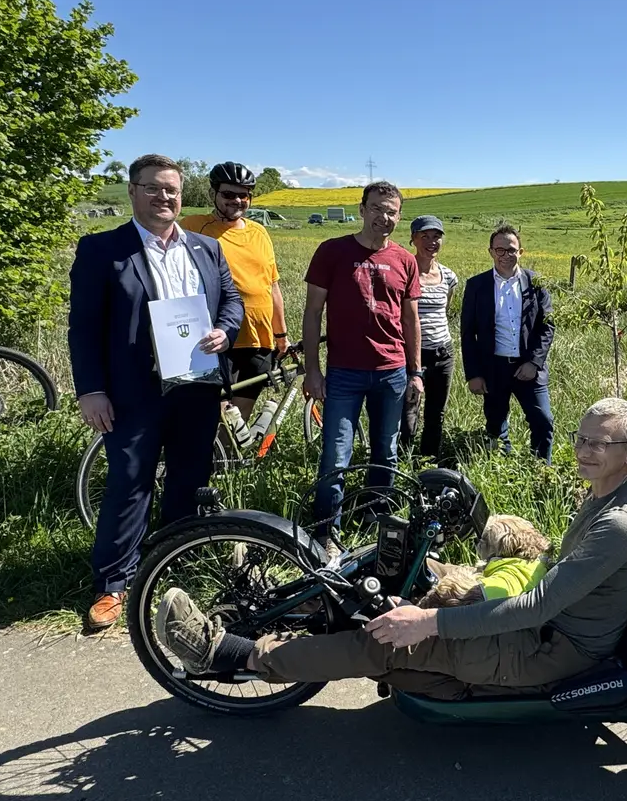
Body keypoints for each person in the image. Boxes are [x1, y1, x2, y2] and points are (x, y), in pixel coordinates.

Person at [153, 398, 627, 700]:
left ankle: (226, 654)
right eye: (581, 439)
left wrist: (428, 622)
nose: (584, 452)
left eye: (600, 444)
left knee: (386, 642)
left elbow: (537, 606)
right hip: (541, 631)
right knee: (396, 619)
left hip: (550, 651)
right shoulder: (608, 494)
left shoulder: (619, 523)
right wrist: (455, 595)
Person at [69, 154, 243, 630]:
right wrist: (91, 390)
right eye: (153, 188)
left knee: (189, 478)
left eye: (171, 190)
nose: (164, 197)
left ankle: (173, 563)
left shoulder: (205, 248)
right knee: (129, 483)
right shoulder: (103, 249)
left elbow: (230, 301)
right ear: (132, 191)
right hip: (132, 392)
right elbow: (83, 328)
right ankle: (113, 584)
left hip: (197, 386)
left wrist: (226, 332)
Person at [301, 181, 422, 555]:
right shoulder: (332, 252)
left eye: (391, 211)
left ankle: (376, 517)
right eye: (376, 209)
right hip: (344, 373)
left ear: (399, 216)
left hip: (392, 371)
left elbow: (411, 320)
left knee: (386, 451)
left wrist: (416, 372)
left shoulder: (405, 259)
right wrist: (312, 370)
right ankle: (326, 530)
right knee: (336, 452)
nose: (383, 217)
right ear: (362, 209)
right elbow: (312, 313)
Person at [181, 162, 289, 426]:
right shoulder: (193, 226)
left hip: (258, 337)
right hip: (218, 337)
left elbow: (271, 285)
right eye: (229, 194)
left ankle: (228, 465)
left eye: (244, 195)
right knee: (214, 415)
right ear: (213, 194)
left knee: (240, 416)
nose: (237, 200)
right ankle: (205, 464)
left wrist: (281, 335)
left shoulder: (259, 232)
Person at [459, 224, 555, 460]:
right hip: (493, 368)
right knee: (495, 424)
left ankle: (541, 470)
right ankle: (504, 466)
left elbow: (548, 325)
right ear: (491, 252)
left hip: (528, 368)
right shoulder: (476, 286)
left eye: (511, 250)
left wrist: (534, 362)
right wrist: (473, 374)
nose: (505, 256)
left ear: (521, 252)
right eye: (499, 250)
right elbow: (467, 333)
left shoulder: (536, 283)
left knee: (543, 420)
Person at [398, 214, 459, 459]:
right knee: (408, 409)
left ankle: (428, 462)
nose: (431, 242)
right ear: (413, 239)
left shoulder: (449, 276)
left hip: (443, 353)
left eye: (436, 237)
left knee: (436, 412)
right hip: (411, 354)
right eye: (425, 236)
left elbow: (444, 311)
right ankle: (403, 459)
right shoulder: (403, 273)